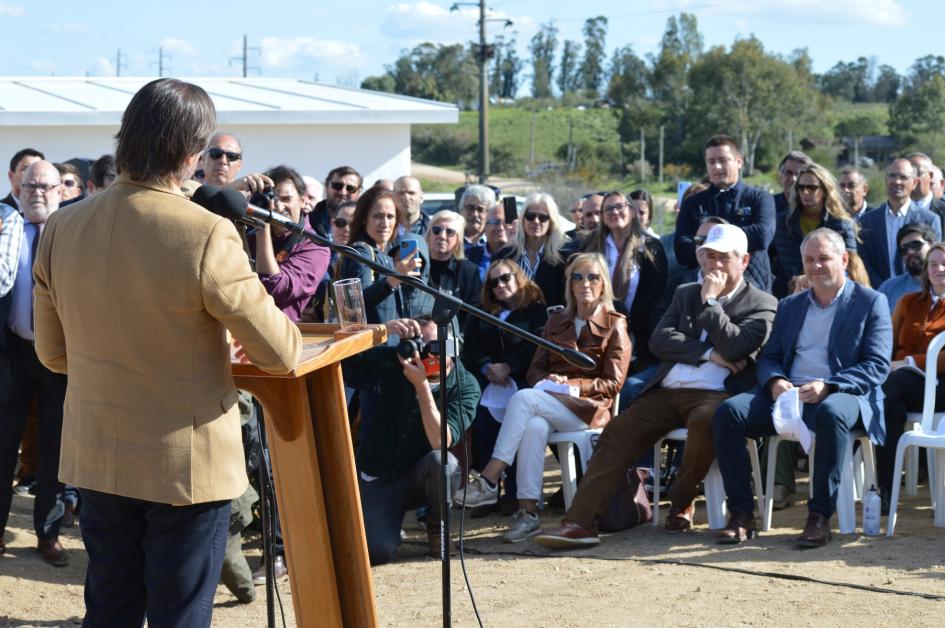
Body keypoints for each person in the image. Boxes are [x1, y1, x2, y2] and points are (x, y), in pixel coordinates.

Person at [32, 78, 302, 627]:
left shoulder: (61, 226)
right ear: (190, 154)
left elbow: (52, 354)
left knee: (109, 610)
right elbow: (280, 351)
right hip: (186, 465)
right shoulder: (205, 233)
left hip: (98, 455)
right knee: (179, 616)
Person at [535, 224, 777, 547]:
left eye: (723, 257)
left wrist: (710, 305)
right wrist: (708, 353)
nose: (714, 265)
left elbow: (736, 348)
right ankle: (579, 521)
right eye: (707, 256)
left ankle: (681, 499)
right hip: (667, 390)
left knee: (707, 422)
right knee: (618, 430)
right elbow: (659, 340)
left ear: (744, 261)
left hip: (717, 395)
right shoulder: (684, 293)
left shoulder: (762, 303)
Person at [712, 228, 891, 548]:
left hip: (844, 393)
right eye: (809, 260)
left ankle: (819, 516)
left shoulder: (871, 302)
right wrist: (774, 381)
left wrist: (830, 385)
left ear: (844, 260)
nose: (816, 266)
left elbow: (877, 365)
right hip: (790, 394)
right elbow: (770, 357)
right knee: (729, 412)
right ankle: (740, 514)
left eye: (824, 258)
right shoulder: (791, 305)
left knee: (832, 412)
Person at [455, 253, 631, 543]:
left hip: (589, 409)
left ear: (603, 284)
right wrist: (548, 381)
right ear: (570, 284)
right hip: (551, 402)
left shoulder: (615, 323)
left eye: (592, 277)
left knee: (523, 400)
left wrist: (572, 385)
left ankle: (488, 479)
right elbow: (535, 367)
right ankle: (528, 513)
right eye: (578, 277)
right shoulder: (556, 321)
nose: (585, 283)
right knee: (534, 425)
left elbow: (613, 383)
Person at [344, 317, 479, 564]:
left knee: (443, 462)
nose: (426, 355)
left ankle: (436, 523)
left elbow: (441, 440)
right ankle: (385, 523)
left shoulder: (465, 385)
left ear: (453, 347)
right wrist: (381, 331)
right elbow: (343, 359)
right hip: (382, 475)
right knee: (376, 552)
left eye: (435, 347)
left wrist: (422, 387)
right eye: (420, 345)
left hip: (423, 474)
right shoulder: (395, 362)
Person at [0, 161, 67, 566]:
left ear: (61, 190)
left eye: (45, 186)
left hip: (61, 358)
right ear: (18, 188)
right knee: (3, 446)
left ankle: (50, 533)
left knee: (55, 448)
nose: (37, 192)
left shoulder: (72, 234)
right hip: (14, 354)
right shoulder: (7, 231)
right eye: (29, 186)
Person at [461, 259, 547, 512]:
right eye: (493, 282)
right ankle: (490, 493)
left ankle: (514, 493)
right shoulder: (482, 310)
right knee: (487, 433)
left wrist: (510, 366)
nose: (500, 285)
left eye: (505, 278)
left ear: (518, 277)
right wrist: (488, 365)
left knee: (518, 435)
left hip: (522, 379)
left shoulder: (535, 310)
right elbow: (471, 343)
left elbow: (537, 344)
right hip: (490, 380)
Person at [876, 243, 945, 513]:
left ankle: (858, 421)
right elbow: (887, 343)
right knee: (892, 410)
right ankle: (886, 492)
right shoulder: (908, 302)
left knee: (890, 390)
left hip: (940, 386)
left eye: (944, 263)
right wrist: (887, 363)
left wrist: (907, 362)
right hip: (902, 384)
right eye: (934, 264)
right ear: (926, 272)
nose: (939, 269)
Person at [675, 135, 776, 292]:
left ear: (739, 161)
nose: (717, 167)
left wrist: (704, 240)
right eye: (711, 161)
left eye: (723, 160)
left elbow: (762, 236)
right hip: (701, 288)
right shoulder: (692, 203)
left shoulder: (759, 198)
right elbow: (682, 248)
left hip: (751, 288)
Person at [582, 190, 667, 374]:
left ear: (633, 211)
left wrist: (626, 324)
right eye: (608, 209)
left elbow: (655, 293)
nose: (614, 212)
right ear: (603, 217)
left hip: (636, 332)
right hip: (594, 329)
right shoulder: (592, 245)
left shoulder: (651, 247)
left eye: (620, 206)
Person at [247, 165, 330, 322]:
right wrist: (237, 191)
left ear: (303, 200)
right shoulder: (249, 235)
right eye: (272, 200)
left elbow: (274, 288)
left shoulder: (316, 247)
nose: (277, 207)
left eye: (286, 199)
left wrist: (262, 225)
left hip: (278, 337)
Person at [338, 186, 426, 325]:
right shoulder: (362, 251)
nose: (385, 224)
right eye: (377, 216)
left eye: (390, 216)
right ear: (364, 219)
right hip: (371, 344)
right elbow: (357, 304)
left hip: (392, 343)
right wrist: (394, 278)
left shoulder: (386, 254)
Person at [772, 163, 859, 298]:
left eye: (812, 188)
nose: (805, 192)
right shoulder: (783, 222)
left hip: (831, 295)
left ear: (825, 190)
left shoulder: (842, 224)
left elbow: (851, 267)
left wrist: (814, 279)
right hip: (787, 294)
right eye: (801, 188)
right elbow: (769, 262)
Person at [858, 158, 942, 288]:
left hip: (919, 292)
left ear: (914, 183)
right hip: (878, 292)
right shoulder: (867, 221)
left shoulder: (929, 219)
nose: (897, 181)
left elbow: (934, 259)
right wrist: (883, 289)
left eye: (903, 177)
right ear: (886, 180)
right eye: (892, 176)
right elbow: (864, 261)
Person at [495, 192, 571, 307]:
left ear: (551, 222)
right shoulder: (504, 255)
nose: (536, 221)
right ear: (523, 219)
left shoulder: (564, 258)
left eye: (543, 217)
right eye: (530, 216)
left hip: (548, 321)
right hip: (510, 321)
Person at [426, 210, 482, 324]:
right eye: (436, 230)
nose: (442, 236)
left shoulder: (469, 271)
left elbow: (473, 316)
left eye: (450, 232)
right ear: (428, 236)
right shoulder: (416, 266)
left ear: (458, 240)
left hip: (454, 337)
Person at [877, 223, 936, 313]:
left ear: (932, 245)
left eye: (916, 245)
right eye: (904, 249)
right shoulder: (889, 288)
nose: (910, 252)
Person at [466, 201, 517, 281]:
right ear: (485, 229)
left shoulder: (522, 257)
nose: (501, 227)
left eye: (507, 222)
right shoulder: (468, 256)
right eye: (495, 222)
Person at [308, 165, 362, 237]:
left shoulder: (366, 226)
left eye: (350, 188)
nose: (343, 192)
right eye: (337, 186)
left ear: (359, 192)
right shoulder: (308, 221)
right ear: (326, 187)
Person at [460, 184, 496, 250]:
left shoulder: (495, 241)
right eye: (470, 208)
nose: (475, 214)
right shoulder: (451, 238)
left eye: (480, 210)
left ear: (489, 214)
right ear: (461, 209)